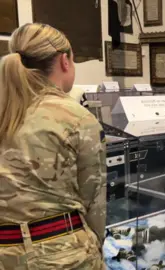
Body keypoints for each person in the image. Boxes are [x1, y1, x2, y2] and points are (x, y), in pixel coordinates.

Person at [0, 23, 106, 269]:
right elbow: (94, 202)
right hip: (62, 256)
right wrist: (96, 245)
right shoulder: (77, 118)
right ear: (64, 61)